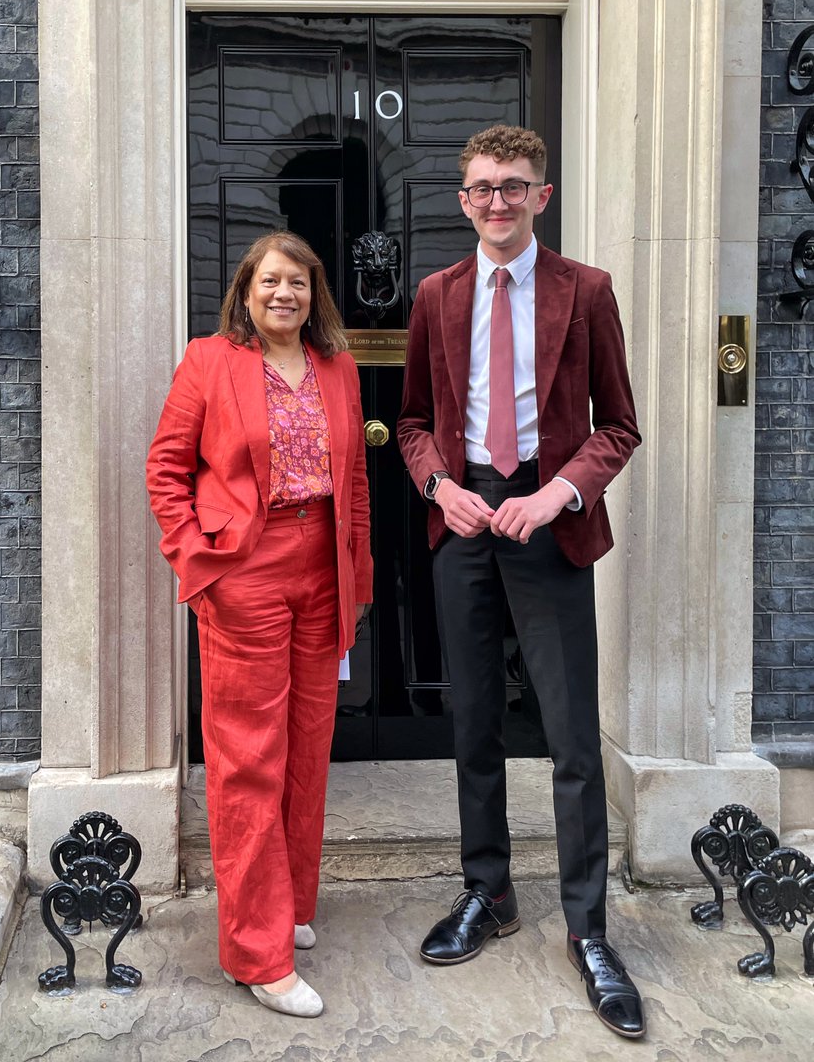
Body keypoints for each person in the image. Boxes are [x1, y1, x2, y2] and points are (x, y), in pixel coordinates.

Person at [396, 125, 644, 1039]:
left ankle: (588, 930)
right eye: (482, 188)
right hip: (463, 523)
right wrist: (440, 487)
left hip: (551, 523)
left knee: (573, 736)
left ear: (543, 195)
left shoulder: (588, 292)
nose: (497, 202)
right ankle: (488, 892)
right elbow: (414, 418)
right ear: (462, 200)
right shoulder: (435, 294)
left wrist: (557, 497)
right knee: (474, 725)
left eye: (514, 186)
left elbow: (619, 425)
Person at [146, 230, 373, 1018]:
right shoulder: (210, 361)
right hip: (245, 569)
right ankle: (257, 952)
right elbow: (166, 469)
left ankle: (290, 904)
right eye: (272, 282)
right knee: (248, 758)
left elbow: (355, 479)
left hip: (323, 569)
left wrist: (359, 575)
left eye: (300, 284)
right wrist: (198, 562)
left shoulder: (337, 368)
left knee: (309, 745)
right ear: (246, 291)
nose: (286, 295)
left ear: (316, 297)